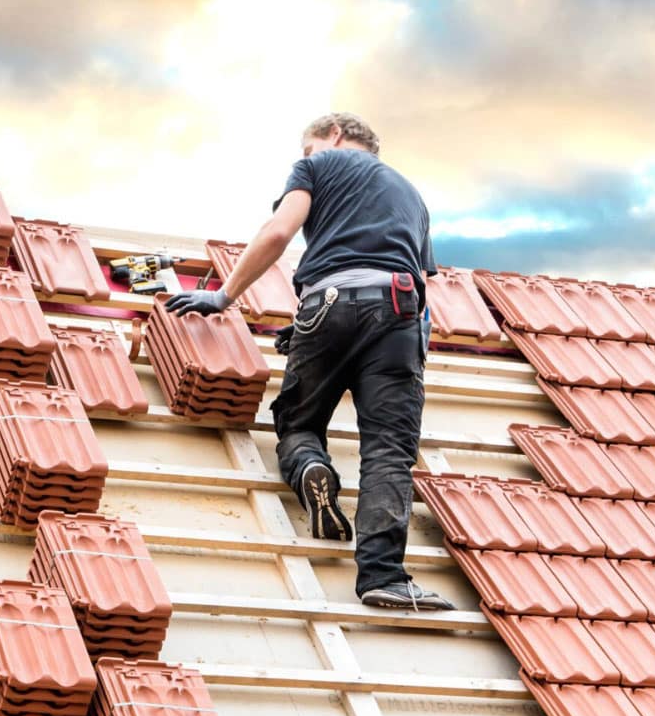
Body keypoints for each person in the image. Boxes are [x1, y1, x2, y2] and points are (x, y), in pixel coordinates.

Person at [166, 111, 453, 611]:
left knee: (297, 421)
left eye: (308, 147)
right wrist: (407, 364)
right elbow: (424, 296)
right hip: (401, 313)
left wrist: (224, 297)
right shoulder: (413, 196)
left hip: (327, 301)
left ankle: (310, 467)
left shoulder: (321, 166)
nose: (305, 157)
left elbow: (279, 233)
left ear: (335, 136)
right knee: (389, 449)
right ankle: (383, 577)